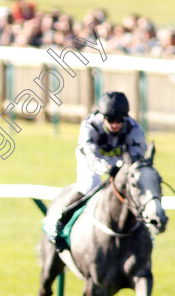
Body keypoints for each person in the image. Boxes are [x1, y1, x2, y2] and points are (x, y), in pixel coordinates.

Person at [47, 91, 148, 251]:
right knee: (89, 187)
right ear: (103, 117)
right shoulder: (90, 125)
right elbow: (90, 155)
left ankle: (145, 232)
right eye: (110, 120)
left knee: (134, 189)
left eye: (119, 120)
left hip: (120, 162)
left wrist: (124, 169)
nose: (115, 124)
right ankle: (59, 222)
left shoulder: (133, 126)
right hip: (90, 160)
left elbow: (139, 153)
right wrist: (107, 169)